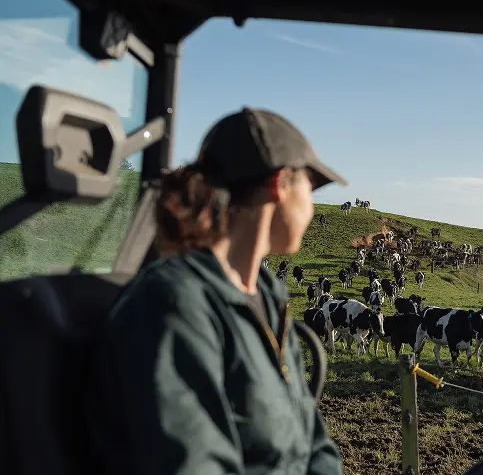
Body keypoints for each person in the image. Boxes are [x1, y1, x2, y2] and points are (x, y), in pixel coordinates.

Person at [86, 107, 347, 475]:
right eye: (311, 186)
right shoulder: (173, 306)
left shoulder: (270, 298)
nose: (312, 205)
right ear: (280, 184)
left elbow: (314, 445)